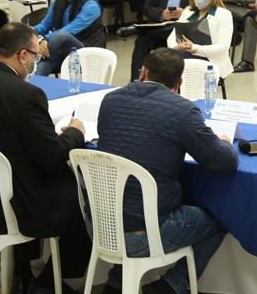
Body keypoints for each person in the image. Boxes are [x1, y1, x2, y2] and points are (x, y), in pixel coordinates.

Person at [0, 22, 89, 292]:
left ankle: (23, 272)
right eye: (35, 56)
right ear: (22, 55)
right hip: (10, 203)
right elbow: (52, 157)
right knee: (89, 200)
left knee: (24, 173)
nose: (35, 63)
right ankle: (48, 284)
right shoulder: (26, 95)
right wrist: (75, 133)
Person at [97, 48, 238, 294]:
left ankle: (116, 284)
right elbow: (224, 161)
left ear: (143, 72)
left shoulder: (110, 100)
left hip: (100, 225)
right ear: (180, 83)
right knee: (223, 217)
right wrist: (224, 142)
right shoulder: (182, 111)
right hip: (145, 232)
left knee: (131, 200)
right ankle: (170, 287)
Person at [33, 0, 105, 77]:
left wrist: (43, 40)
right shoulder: (57, 2)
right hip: (64, 50)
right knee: (43, 60)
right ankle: (32, 84)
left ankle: (35, 54)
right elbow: (44, 26)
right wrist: (28, 34)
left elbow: (68, 31)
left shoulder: (91, 5)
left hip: (87, 51)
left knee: (61, 36)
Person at [129, 0, 193, 80]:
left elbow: (200, 11)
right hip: (161, 26)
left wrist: (184, 13)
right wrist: (161, 14)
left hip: (182, 29)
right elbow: (147, 8)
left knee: (150, 32)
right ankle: (136, 79)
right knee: (142, 40)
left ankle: (133, 30)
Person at [169, 0, 234, 77]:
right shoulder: (188, 11)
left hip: (210, 60)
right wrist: (177, 46)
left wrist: (194, 47)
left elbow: (223, 47)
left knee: (171, 61)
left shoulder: (223, 14)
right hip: (184, 54)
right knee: (160, 57)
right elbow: (171, 38)